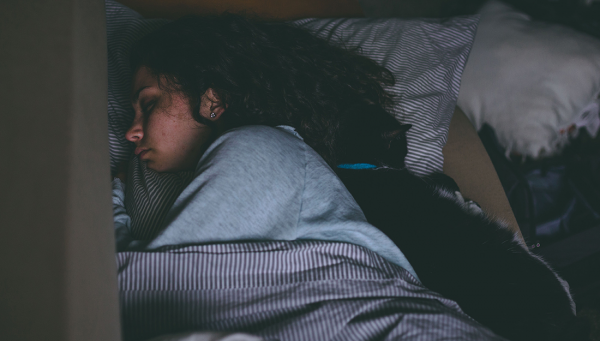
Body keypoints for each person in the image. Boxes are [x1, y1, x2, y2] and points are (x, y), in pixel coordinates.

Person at [112, 14, 588, 341]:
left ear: (212, 100)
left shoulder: (259, 147)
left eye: (149, 103)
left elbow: (139, 294)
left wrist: (111, 201)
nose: (131, 130)